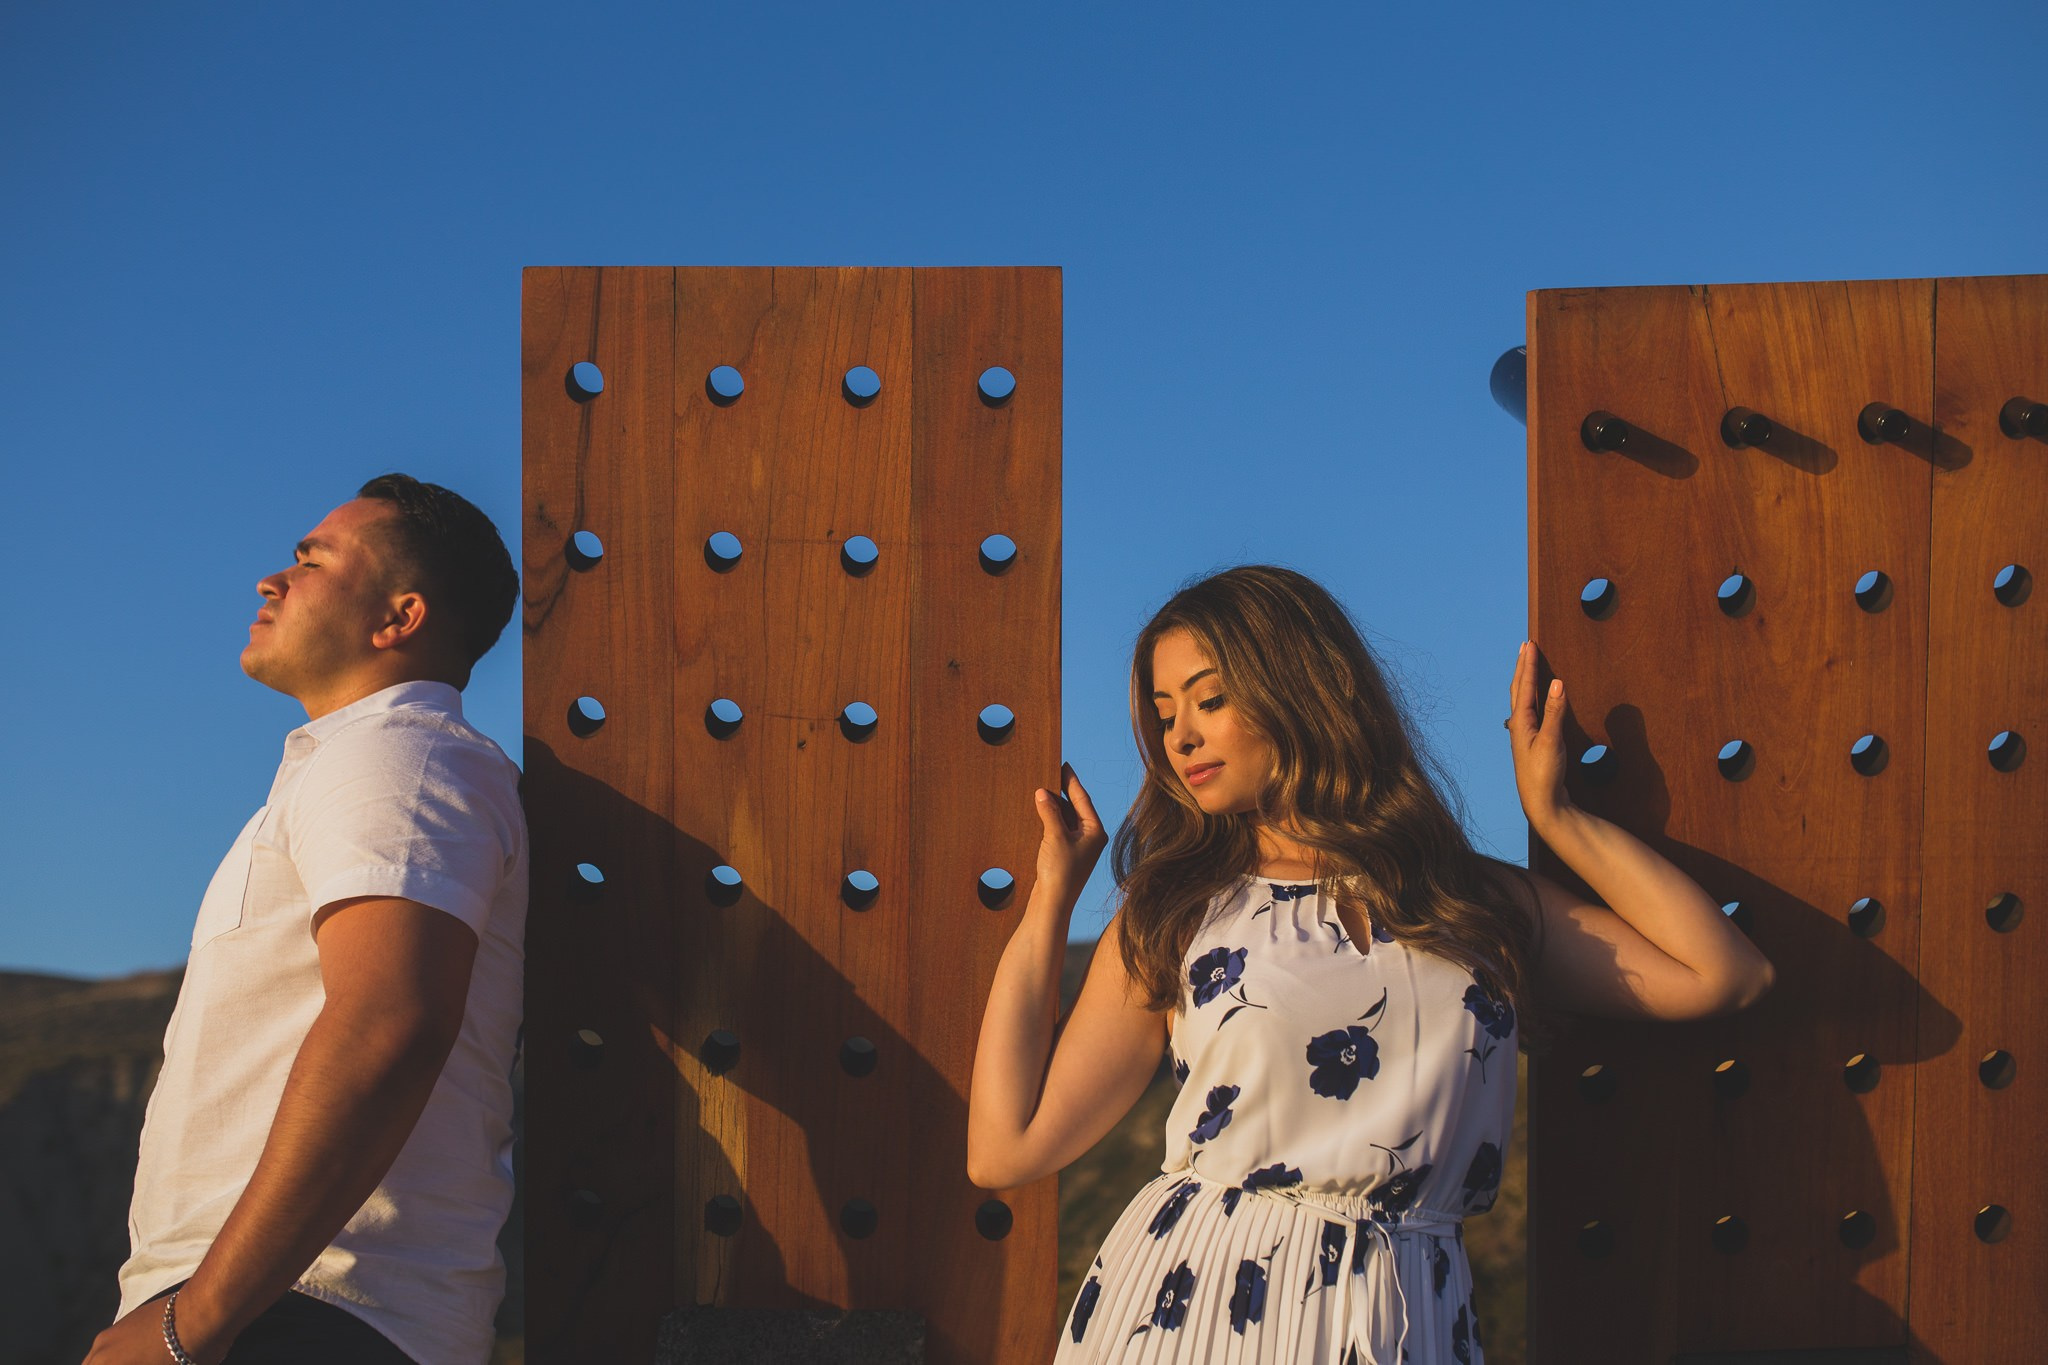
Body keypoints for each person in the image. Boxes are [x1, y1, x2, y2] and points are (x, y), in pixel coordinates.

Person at [966, 565, 1776, 1364]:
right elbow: (1005, 1147)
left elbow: (1726, 974)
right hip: (1204, 1307)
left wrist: (1556, 815)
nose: (1180, 737)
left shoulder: (1470, 900)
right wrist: (1051, 899)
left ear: (1300, 688)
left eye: (1209, 700)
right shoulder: (1177, 912)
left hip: (1412, 1309)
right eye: (1164, 711)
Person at [88, 475, 526, 1365]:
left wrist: (192, 1322)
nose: (271, 580)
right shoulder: (359, 763)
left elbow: (389, 1019)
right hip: (277, 1309)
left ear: (399, 617)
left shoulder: (400, 755)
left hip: (311, 1313)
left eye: (311, 560)